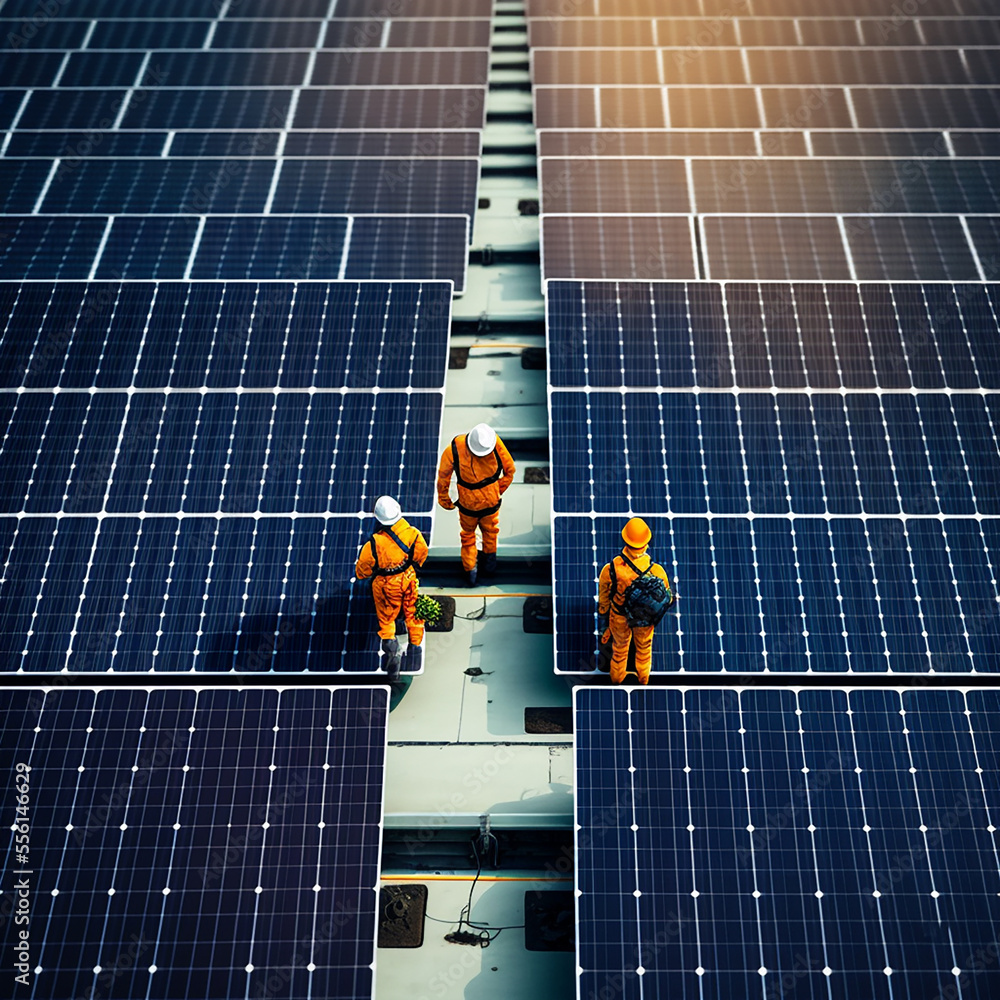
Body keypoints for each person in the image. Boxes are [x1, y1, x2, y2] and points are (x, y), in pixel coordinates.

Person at [355, 495, 429, 680]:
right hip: (409, 578)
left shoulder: (373, 543)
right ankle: (415, 648)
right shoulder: (412, 533)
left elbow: (362, 571)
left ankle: (391, 650)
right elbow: (422, 553)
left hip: (386, 585)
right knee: (413, 613)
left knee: (387, 620)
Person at [437, 422, 515, 586]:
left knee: (468, 536)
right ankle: (489, 568)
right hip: (490, 503)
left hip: (468, 505)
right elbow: (510, 471)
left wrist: (445, 500)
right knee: (490, 533)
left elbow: (443, 477)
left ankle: (470, 572)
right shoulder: (496, 444)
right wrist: (496, 490)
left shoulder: (454, 448)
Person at [598, 517, 673, 685]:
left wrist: (604, 613)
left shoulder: (610, 569)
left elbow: (604, 597)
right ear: (646, 542)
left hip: (618, 616)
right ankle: (643, 679)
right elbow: (667, 597)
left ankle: (617, 679)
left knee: (619, 651)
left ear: (625, 540)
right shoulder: (656, 570)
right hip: (644, 619)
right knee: (644, 650)